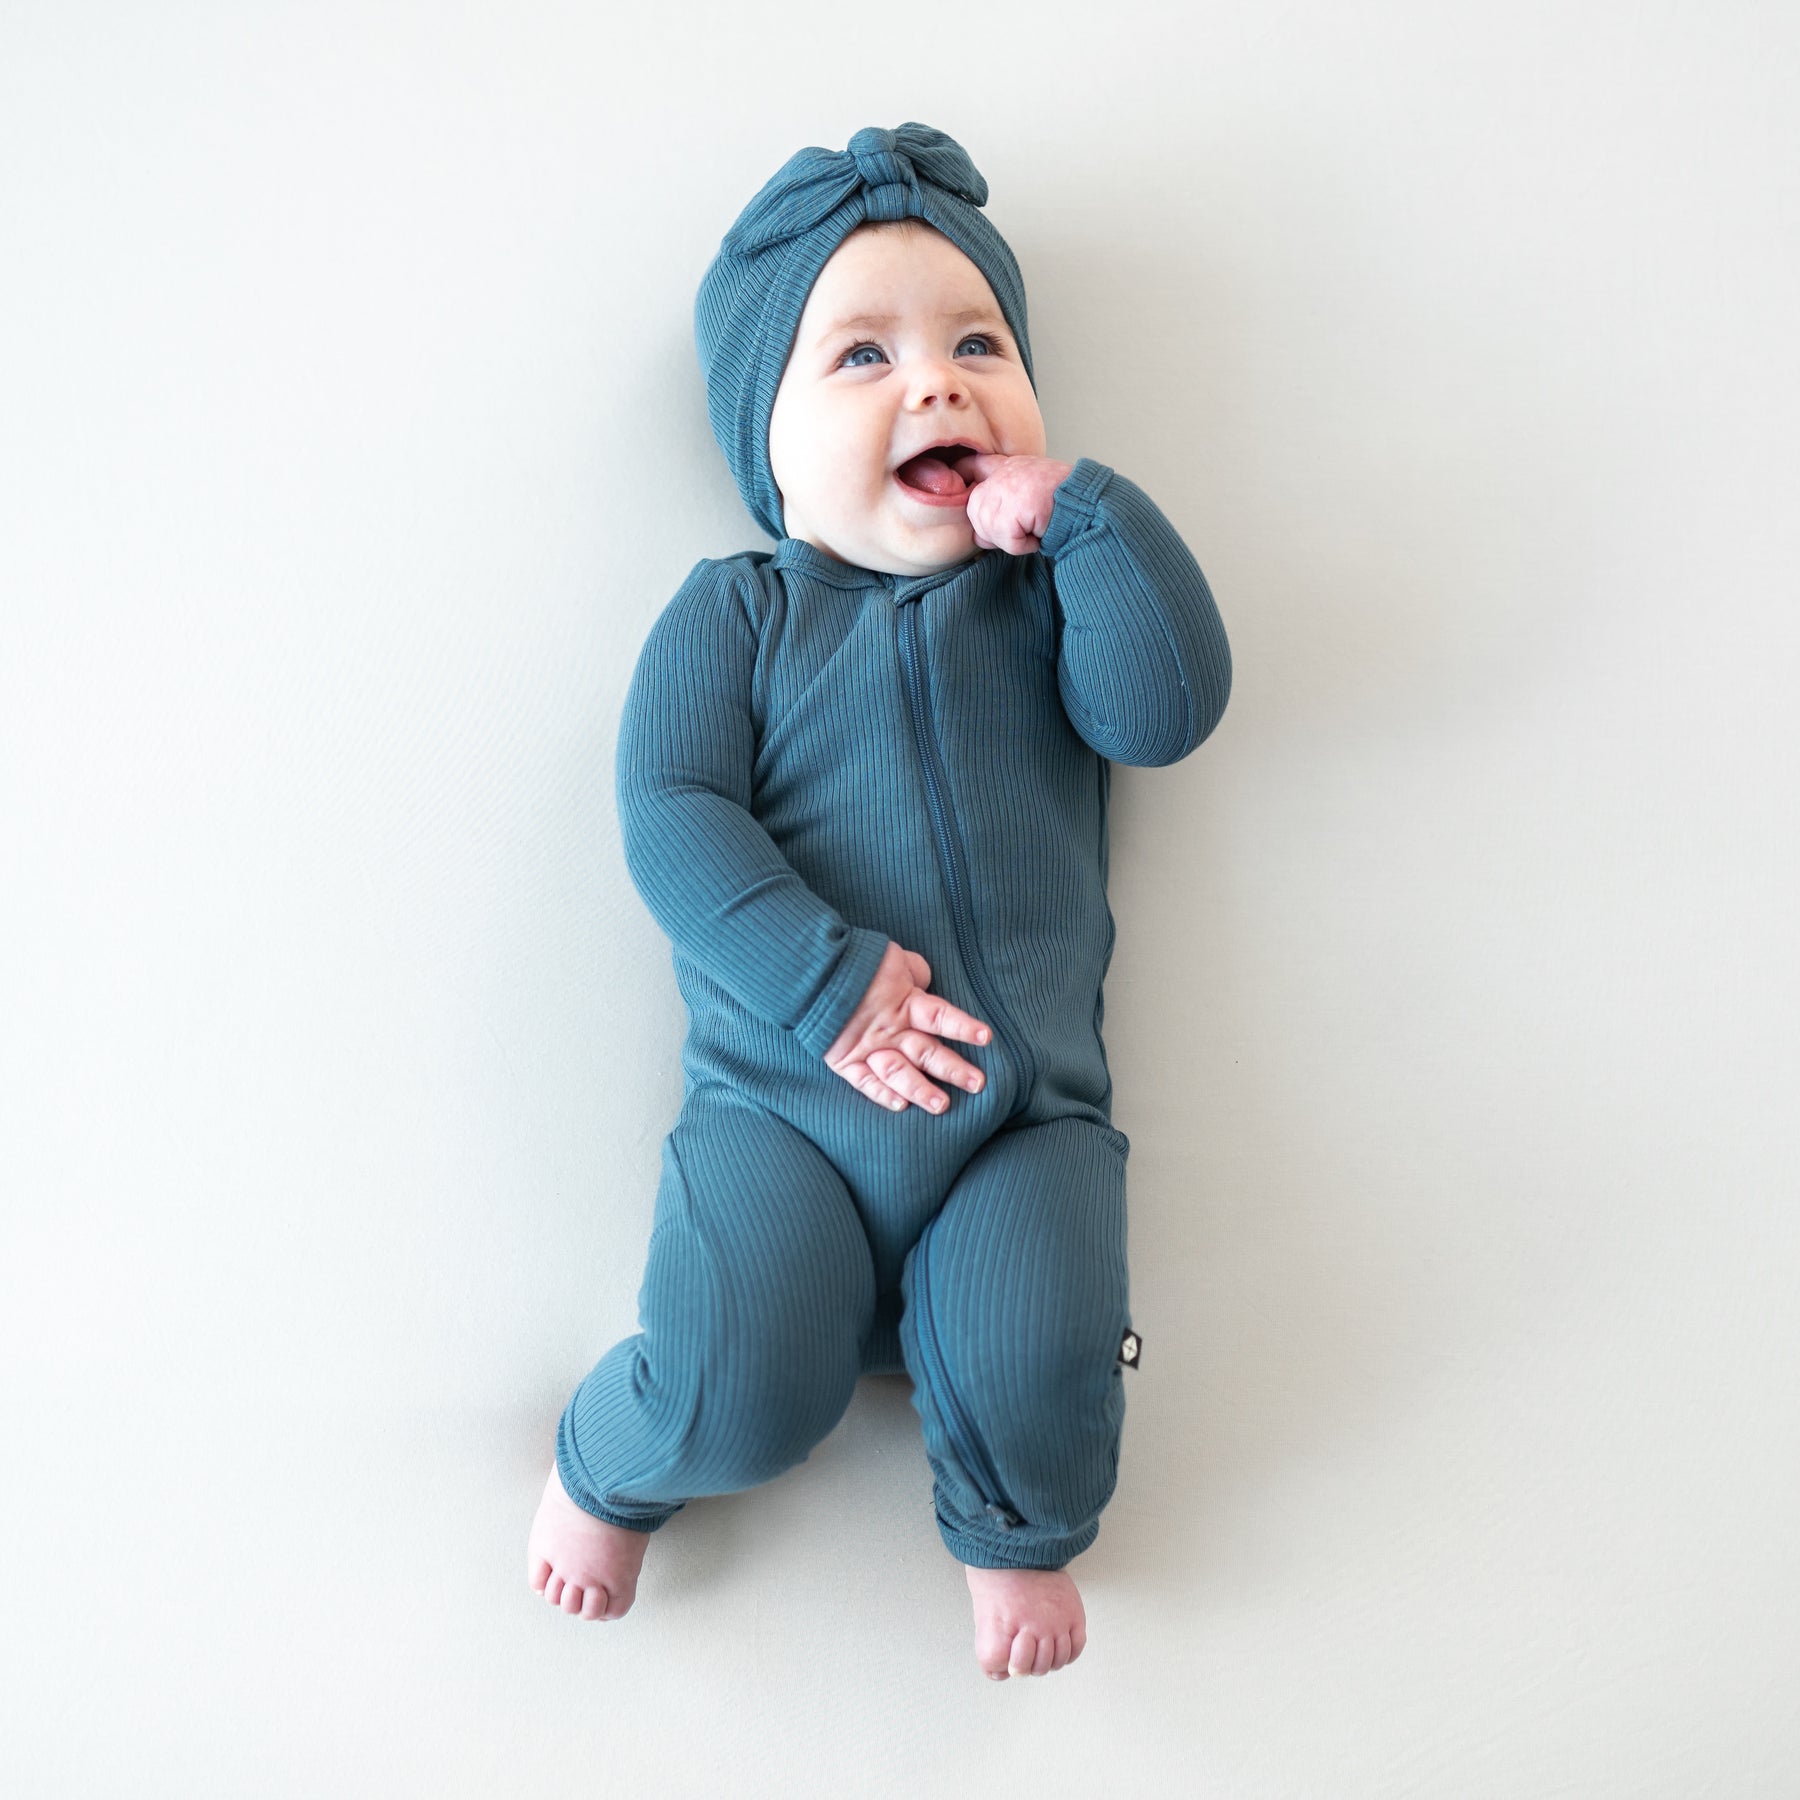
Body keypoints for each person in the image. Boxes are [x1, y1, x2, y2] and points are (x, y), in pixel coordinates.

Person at [526, 122, 1232, 1680]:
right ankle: (612, 1461)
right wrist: (823, 981)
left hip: (1020, 1115)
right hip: (785, 1110)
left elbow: (1167, 713)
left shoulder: (1047, 603)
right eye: (861, 356)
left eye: (978, 340)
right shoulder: (739, 615)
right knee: (734, 1384)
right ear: (763, 440)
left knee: (1041, 1365)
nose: (938, 381)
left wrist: (1096, 524)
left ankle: (1013, 1530)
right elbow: (669, 818)